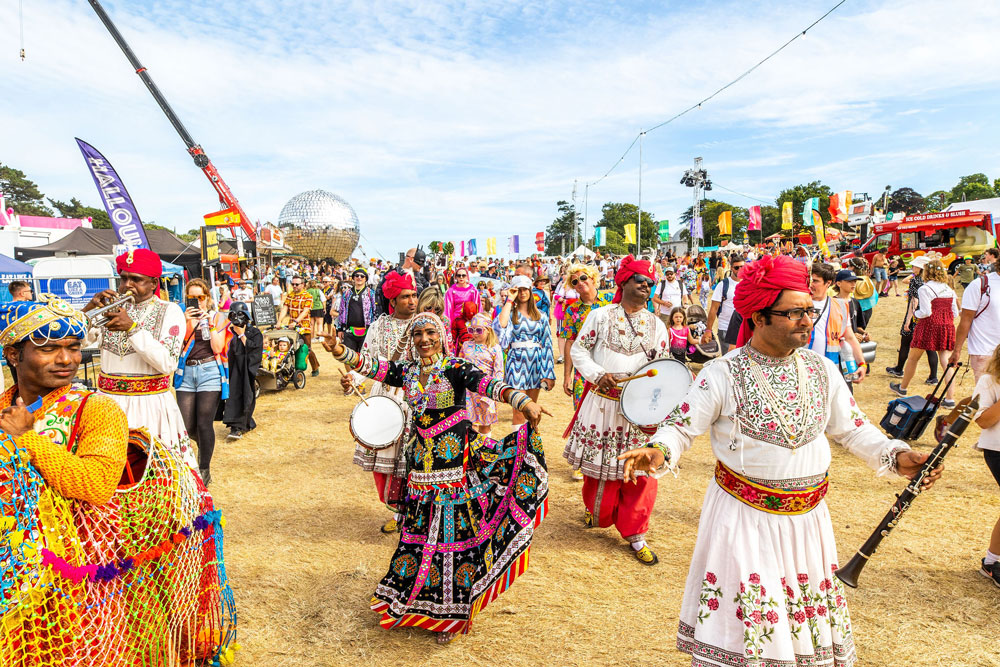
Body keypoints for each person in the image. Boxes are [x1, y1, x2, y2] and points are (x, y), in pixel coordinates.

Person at [618, 253, 942, 666]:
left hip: (809, 525)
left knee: (799, 630)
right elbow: (681, 427)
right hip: (744, 520)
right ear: (758, 316)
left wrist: (895, 454)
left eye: (810, 310)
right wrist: (658, 450)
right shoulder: (721, 372)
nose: (807, 319)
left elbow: (852, 428)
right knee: (751, 631)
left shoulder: (823, 369)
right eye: (794, 313)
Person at [0, 295, 237, 664]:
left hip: (85, 573)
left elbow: (96, 485)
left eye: (74, 348)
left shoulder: (97, 409)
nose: (66, 360)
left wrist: (26, 438)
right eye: (49, 349)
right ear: (14, 355)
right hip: (16, 565)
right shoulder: (5, 405)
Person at [330, 312, 549, 643]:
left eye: (430, 332)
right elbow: (371, 365)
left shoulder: (456, 368)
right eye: (417, 334)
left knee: (453, 541)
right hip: (420, 466)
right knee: (417, 536)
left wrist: (523, 402)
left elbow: (489, 385)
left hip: (456, 467)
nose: (424, 339)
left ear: (442, 334)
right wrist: (337, 348)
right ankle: (417, 601)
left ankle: (453, 613)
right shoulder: (407, 371)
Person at [562, 255, 668, 564]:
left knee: (640, 471)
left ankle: (636, 533)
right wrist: (597, 375)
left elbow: (660, 368)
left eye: (651, 283)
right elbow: (579, 350)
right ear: (623, 283)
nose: (646, 287)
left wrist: (654, 405)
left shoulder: (657, 326)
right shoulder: (600, 316)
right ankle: (598, 513)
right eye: (640, 281)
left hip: (638, 410)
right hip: (603, 403)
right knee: (600, 472)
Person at [83, 249, 198, 471]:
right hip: (107, 404)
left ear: (154, 283)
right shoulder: (111, 308)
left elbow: (168, 363)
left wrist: (133, 329)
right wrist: (88, 311)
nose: (127, 285)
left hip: (149, 406)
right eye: (123, 278)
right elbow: (77, 344)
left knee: (151, 473)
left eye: (136, 279)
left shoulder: (170, 311)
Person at [339, 272, 419, 533]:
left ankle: (417, 515)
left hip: (416, 399)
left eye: (414, 295)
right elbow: (367, 361)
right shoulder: (378, 326)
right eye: (405, 296)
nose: (412, 301)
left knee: (413, 461)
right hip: (384, 397)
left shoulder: (427, 325)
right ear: (392, 301)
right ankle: (398, 515)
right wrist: (352, 378)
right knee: (387, 462)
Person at [175, 278, 231, 484]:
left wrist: (210, 324)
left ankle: (204, 469)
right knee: (187, 425)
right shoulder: (181, 318)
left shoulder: (218, 318)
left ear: (207, 298)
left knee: (204, 422)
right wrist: (185, 322)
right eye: (192, 298)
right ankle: (204, 446)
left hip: (209, 371)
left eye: (200, 297)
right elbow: (176, 344)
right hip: (186, 371)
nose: (197, 302)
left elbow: (217, 348)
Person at [891, 259, 958, 407]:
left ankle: (903, 388)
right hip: (947, 326)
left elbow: (926, 312)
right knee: (946, 361)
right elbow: (955, 312)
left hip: (928, 326)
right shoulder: (949, 289)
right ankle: (950, 398)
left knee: (913, 358)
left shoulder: (925, 288)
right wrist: (944, 318)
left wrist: (916, 313)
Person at [495, 274, 556, 427]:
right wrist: (509, 299)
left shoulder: (541, 316)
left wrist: (548, 373)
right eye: (518, 290)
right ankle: (518, 447)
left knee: (532, 408)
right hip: (516, 362)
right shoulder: (510, 314)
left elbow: (547, 344)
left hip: (535, 363)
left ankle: (530, 444)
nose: (522, 293)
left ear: (530, 291)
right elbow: (500, 326)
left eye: (525, 289)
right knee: (518, 408)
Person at [972, 344, 1000, 589]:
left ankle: (992, 561)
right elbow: (982, 420)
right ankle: (992, 563)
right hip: (997, 450)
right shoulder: (990, 381)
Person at [886, 256, 940, 383]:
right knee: (930, 347)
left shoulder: (916, 281)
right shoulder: (932, 281)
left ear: (920, 268)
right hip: (929, 316)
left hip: (916, 316)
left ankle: (899, 369)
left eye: (914, 266)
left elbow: (913, 301)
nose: (912, 268)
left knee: (905, 342)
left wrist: (908, 320)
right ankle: (933, 376)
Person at [951, 257, 1000, 382]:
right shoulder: (980, 284)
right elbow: (966, 320)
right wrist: (957, 351)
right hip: (985, 351)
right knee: (985, 397)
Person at [459, 313, 504, 436]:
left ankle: (484, 452)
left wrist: (491, 393)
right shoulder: (466, 345)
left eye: (479, 330)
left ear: (488, 330)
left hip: (485, 391)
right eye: (471, 330)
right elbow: (458, 366)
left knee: (485, 425)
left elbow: (499, 372)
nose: (474, 333)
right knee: (468, 424)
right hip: (467, 392)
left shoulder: (495, 348)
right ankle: (470, 452)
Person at [223, 301, 263, 441]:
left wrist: (241, 335)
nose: (236, 318)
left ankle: (240, 426)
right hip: (231, 370)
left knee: (245, 395)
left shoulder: (254, 332)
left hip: (246, 370)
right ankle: (236, 424)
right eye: (233, 315)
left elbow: (255, 350)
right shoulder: (228, 332)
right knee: (231, 396)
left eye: (239, 314)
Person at [279, 276, 320, 377]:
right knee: (291, 348)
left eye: (297, 284)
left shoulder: (308, 296)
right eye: (293, 284)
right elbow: (285, 308)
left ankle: (315, 367)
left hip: (304, 327)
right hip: (291, 327)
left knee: (307, 348)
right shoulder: (290, 295)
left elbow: (306, 311)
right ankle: (293, 370)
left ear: (303, 285)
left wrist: (296, 321)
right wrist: (279, 321)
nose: (294, 286)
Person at [705, 255, 745, 354]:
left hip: (744, 328)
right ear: (731, 268)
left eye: (742, 267)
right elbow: (714, 309)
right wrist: (708, 330)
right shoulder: (723, 285)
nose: (739, 270)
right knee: (729, 360)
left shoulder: (749, 283)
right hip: (726, 328)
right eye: (736, 267)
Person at [333, 268, 378, 353]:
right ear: (353, 278)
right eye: (357, 275)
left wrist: (374, 329)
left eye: (362, 276)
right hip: (349, 330)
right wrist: (340, 329)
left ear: (366, 279)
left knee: (364, 358)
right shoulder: (347, 293)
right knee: (349, 357)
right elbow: (342, 311)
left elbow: (375, 311)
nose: (359, 278)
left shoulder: (371, 293)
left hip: (367, 331)